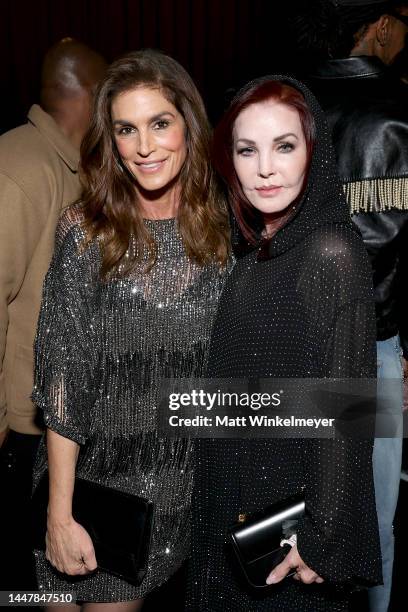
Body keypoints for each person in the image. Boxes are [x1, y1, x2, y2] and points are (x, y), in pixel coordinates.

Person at [31, 49, 230, 610]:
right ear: (110, 140)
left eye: (160, 124)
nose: (144, 147)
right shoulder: (87, 232)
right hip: (87, 483)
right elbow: (63, 380)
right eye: (126, 129)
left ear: (189, 125)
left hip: (173, 487)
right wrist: (60, 516)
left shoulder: (223, 233)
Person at [187, 76, 382, 612]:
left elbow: (349, 413)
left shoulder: (331, 253)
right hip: (237, 506)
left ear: (313, 154)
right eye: (247, 150)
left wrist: (320, 540)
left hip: (288, 537)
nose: (265, 168)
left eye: (285, 146)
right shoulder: (258, 253)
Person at [295, 2, 408, 608]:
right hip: (376, 347)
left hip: (293, 341)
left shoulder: (285, 104)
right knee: (376, 521)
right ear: (383, 26)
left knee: (294, 515)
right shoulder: (402, 114)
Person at [0, 38, 106, 591]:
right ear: (89, 96)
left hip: (57, 429)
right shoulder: (17, 166)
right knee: (18, 581)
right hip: (17, 434)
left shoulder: (75, 168)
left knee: (51, 579)